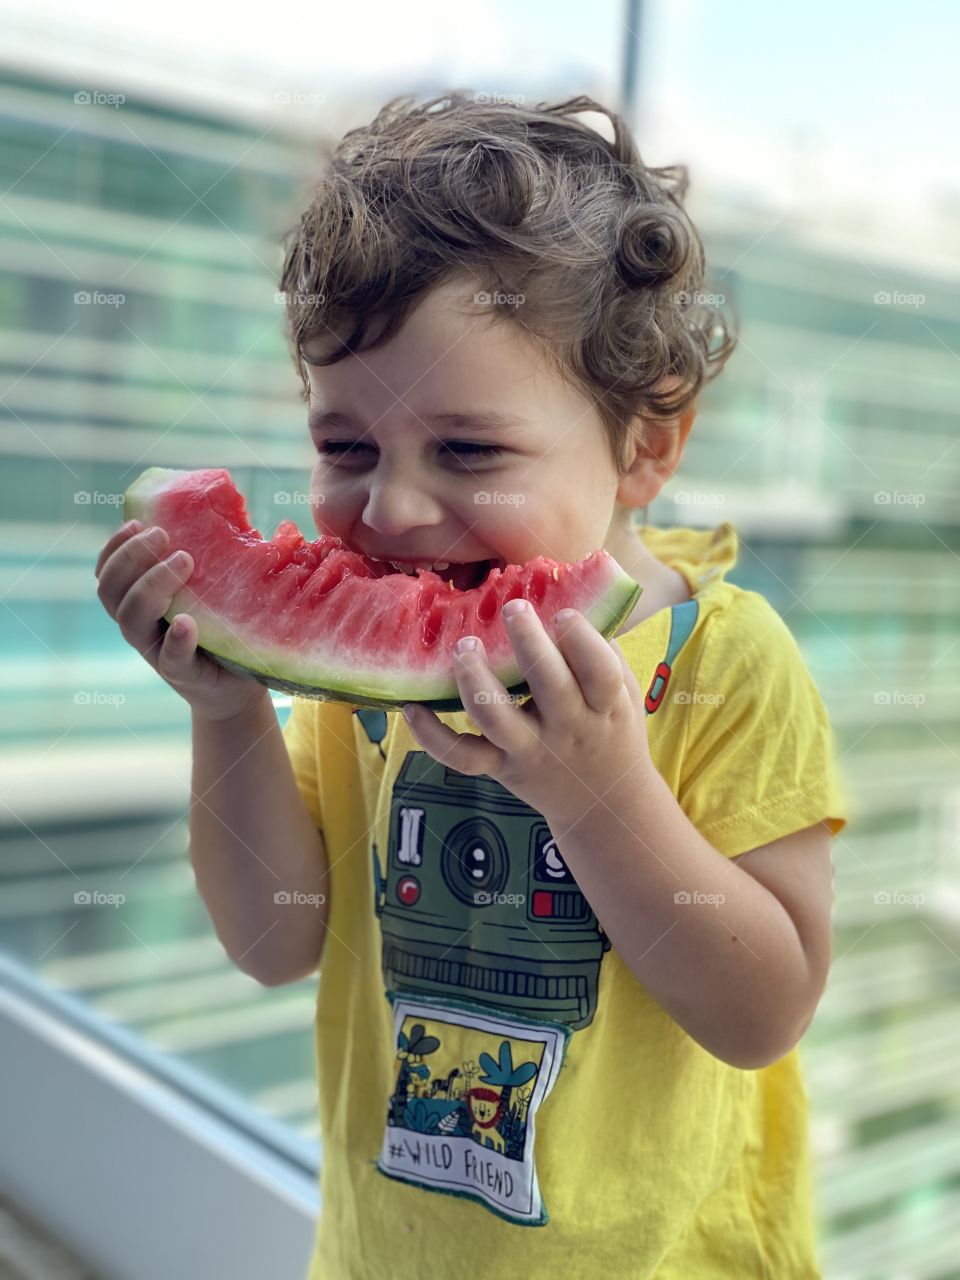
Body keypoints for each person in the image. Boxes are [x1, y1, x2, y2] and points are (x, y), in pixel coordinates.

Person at [95, 91, 848, 1278]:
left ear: (647, 448)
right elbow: (275, 939)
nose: (390, 509)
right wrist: (228, 704)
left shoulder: (727, 662)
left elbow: (764, 1012)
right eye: (346, 448)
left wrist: (601, 791)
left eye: (469, 450)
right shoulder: (359, 686)